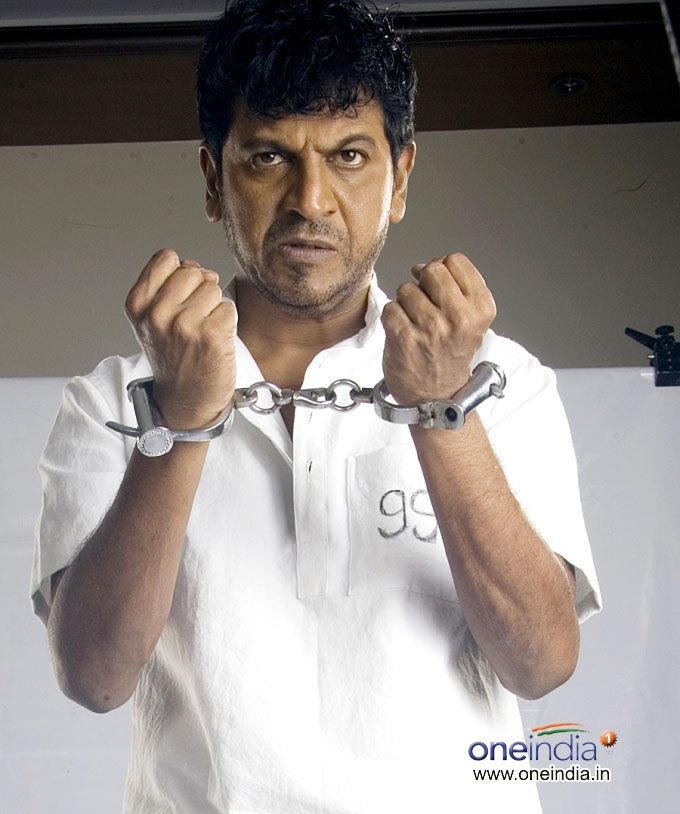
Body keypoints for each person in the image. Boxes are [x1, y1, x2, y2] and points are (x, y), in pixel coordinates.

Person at [32, 1, 601, 811]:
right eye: (269, 156)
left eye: (349, 156)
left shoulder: (501, 382)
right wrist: (181, 424)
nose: (312, 199)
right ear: (213, 179)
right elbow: (94, 678)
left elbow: (541, 663)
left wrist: (443, 409)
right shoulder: (111, 401)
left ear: (400, 178)